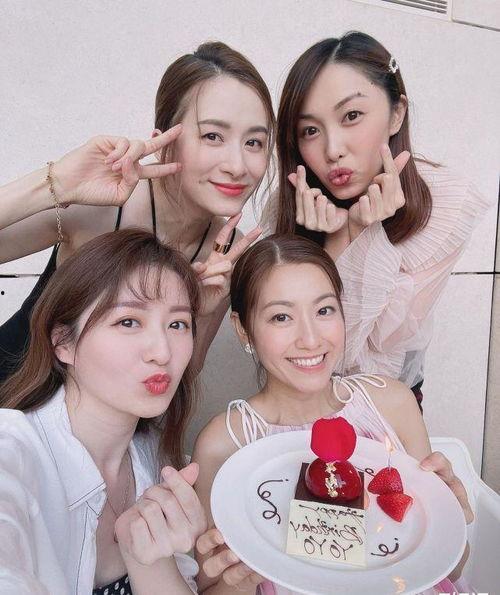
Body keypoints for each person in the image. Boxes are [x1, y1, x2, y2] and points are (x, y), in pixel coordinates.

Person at [192, 235, 474, 595]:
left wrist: (453, 523)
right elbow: (211, 587)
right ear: (242, 328)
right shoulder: (224, 444)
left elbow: (452, 568)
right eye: (281, 317)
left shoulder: (393, 404)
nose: (311, 339)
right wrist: (240, 578)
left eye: (324, 310)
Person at [0, 40, 275, 381]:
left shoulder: (226, 248)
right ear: (164, 140)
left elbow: (182, 377)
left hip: (94, 418)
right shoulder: (104, 206)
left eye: (254, 142)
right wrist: (55, 182)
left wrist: (204, 311)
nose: (237, 166)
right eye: (213, 136)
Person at [264, 31, 491, 407]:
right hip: (295, 404)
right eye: (310, 130)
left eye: (351, 116)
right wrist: (338, 239)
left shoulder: (446, 206)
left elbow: (360, 362)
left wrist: (363, 234)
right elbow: (304, 352)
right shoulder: (291, 204)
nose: (333, 150)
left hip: (391, 407)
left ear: (396, 114)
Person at [0, 229, 208, 594]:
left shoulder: (156, 457)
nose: (162, 352)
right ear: (63, 343)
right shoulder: (11, 451)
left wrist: (149, 560)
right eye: (128, 322)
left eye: (178, 324)